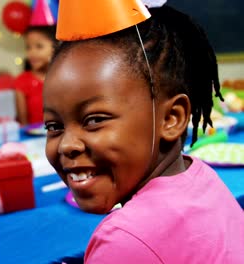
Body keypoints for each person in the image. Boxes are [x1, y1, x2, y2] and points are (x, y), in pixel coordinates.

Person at [43, 3, 244, 264]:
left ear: (171, 118)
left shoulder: (124, 242)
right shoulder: (201, 177)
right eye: (53, 126)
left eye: (94, 120)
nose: (66, 145)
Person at [14, 25, 58, 126]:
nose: (32, 53)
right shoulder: (22, 81)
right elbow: (23, 123)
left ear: (54, 47)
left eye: (39, 46)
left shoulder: (63, 78)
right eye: (28, 47)